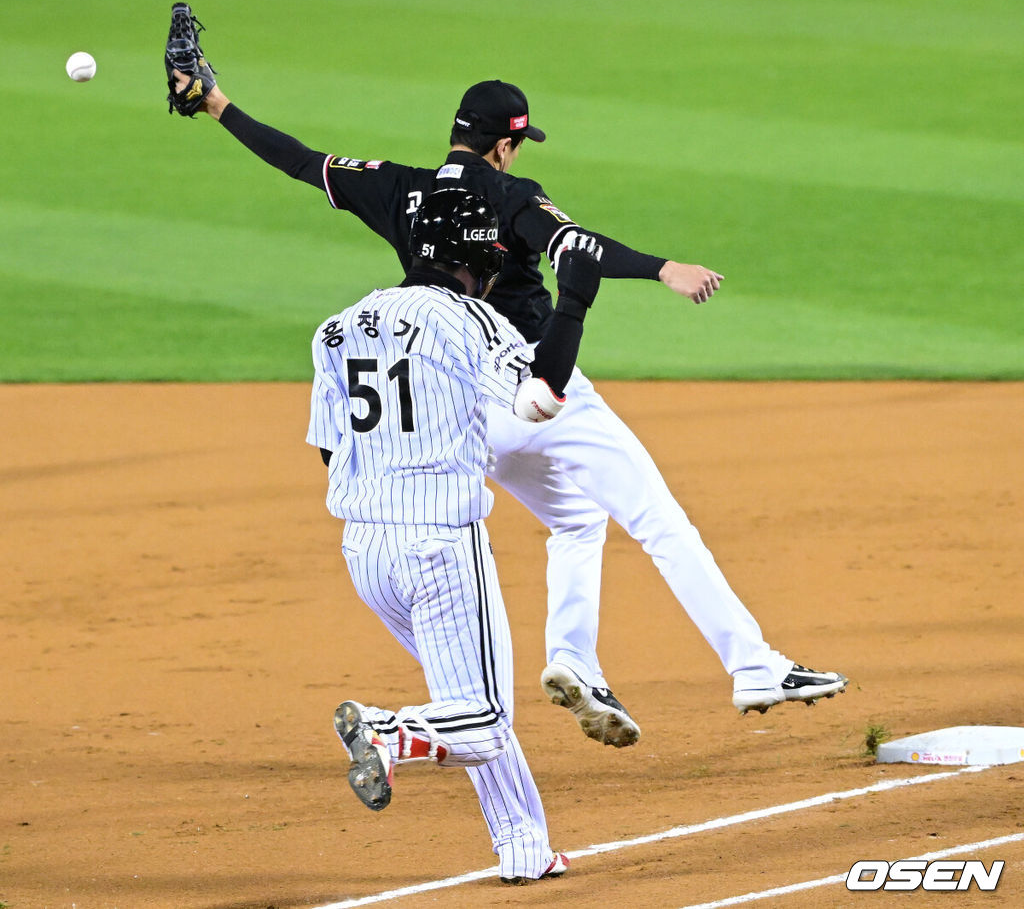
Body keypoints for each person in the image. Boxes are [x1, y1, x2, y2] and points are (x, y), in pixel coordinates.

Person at [173, 67, 848, 742]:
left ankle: (576, 663)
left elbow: (296, 159)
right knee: (656, 517)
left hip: (466, 411)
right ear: (503, 145)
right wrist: (662, 268)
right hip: (535, 386)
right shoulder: (510, 193)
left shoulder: (399, 186)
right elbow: (577, 247)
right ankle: (752, 665)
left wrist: (213, 101)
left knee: (577, 520)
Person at [309, 187, 601, 883]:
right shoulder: (470, 319)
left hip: (365, 551)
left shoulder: (336, 328)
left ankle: (524, 848)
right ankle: (387, 732)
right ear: (479, 258)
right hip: (438, 543)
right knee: (486, 718)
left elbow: (328, 448)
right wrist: (575, 303)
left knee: (463, 691)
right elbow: (538, 399)